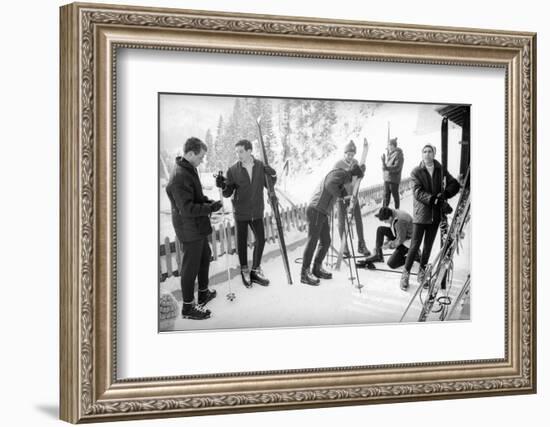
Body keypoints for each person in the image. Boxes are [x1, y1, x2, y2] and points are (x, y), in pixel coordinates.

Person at [165, 137, 223, 320]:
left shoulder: (189, 170)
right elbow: (187, 208)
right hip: (189, 228)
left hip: (197, 225)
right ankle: (188, 308)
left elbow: (195, 197)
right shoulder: (180, 176)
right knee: (190, 268)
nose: (202, 160)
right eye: (200, 156)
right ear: (190, 154)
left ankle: (203, 293)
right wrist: (210, 209)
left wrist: (208, 201)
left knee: (205, 258)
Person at [216, 139, 277, 288]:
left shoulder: (260, 166)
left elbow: (268, 184)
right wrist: (223, 185)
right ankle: (244, 269)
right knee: (241, 243)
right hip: (241, 212)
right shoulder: (232, 170)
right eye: (236, 152)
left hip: (256, 211)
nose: (238, 155)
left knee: (261, 240)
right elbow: (227, 192)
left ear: (249, 151)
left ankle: (255, 270)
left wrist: (273, 175)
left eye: (241, 151)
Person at [400, 144, 460, 291]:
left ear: (434, 154)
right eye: (424, 152)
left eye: (430, 151)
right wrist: (436, 200)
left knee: (427, 247)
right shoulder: (416, 172)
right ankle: (405, 274)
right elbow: (418, 192)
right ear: (422, 155)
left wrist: (445, 194)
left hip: (435, 216)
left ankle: (422, 273)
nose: (427, 154)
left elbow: (455, 184)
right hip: (421, 215)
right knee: (414, 246)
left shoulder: (440, 169)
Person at [301, 163, 365, 285]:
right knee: (312, 241)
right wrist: (341, 194)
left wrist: (344, 196)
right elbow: (329, 185)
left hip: (322, 212)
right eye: (357, 179)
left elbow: (337, 189)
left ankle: (316, 268)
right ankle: (304, 273)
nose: (355, 182)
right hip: (316, 209)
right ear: (355, 176)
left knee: (326, 241)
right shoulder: (342, 174)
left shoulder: (343, 176)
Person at [333, 140, 370, 257]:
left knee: (358, 219)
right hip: (341, 198)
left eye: (352, 155)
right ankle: (345, 247)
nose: (350, 157)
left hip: (353, 196)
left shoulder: (355, 162)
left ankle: (361, 244)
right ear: (344, 153)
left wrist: (362, 173)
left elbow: (357, 180)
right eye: (348, 154)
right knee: (341, 223)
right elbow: (334, 180)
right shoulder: (338, 164)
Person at [381, 137, 404, 209]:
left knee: (395, 197)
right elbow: (386, 167)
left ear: (394, 146)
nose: (389, 147)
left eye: (391, 145)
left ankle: (397, 211)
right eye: (388, 145)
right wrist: (383, 164)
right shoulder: (390, 154)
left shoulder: (398, 154)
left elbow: (397, 167)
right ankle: (384, 212)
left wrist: (386, 167)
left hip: (393, 180)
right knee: (385, 197)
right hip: (387, 179)